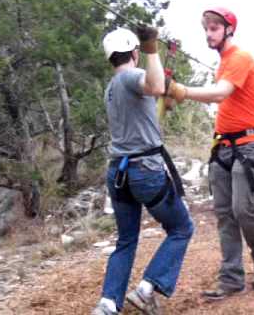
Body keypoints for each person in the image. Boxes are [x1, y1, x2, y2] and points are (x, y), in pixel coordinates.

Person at [165, 7, 254, 301]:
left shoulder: (239, 58)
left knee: (242, 208)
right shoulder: (223, 63)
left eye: (214, 28)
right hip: (223, 147)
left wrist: (180, 90)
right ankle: (231, 279)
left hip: (250, 146)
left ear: (228, 30)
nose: (209, 33)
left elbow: (220, 93)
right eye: (206, 29)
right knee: (225, 214)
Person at [92, 26, 194, 315]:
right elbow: (156, 86)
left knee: (126, 240)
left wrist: (163, 105)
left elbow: (150, 104)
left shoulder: (112, 88)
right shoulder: (132, 76)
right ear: (135, 53)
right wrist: (153, 50)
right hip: (144, 171)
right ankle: (147, 288)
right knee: (182, 228)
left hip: (119, 173)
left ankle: (108, 303)